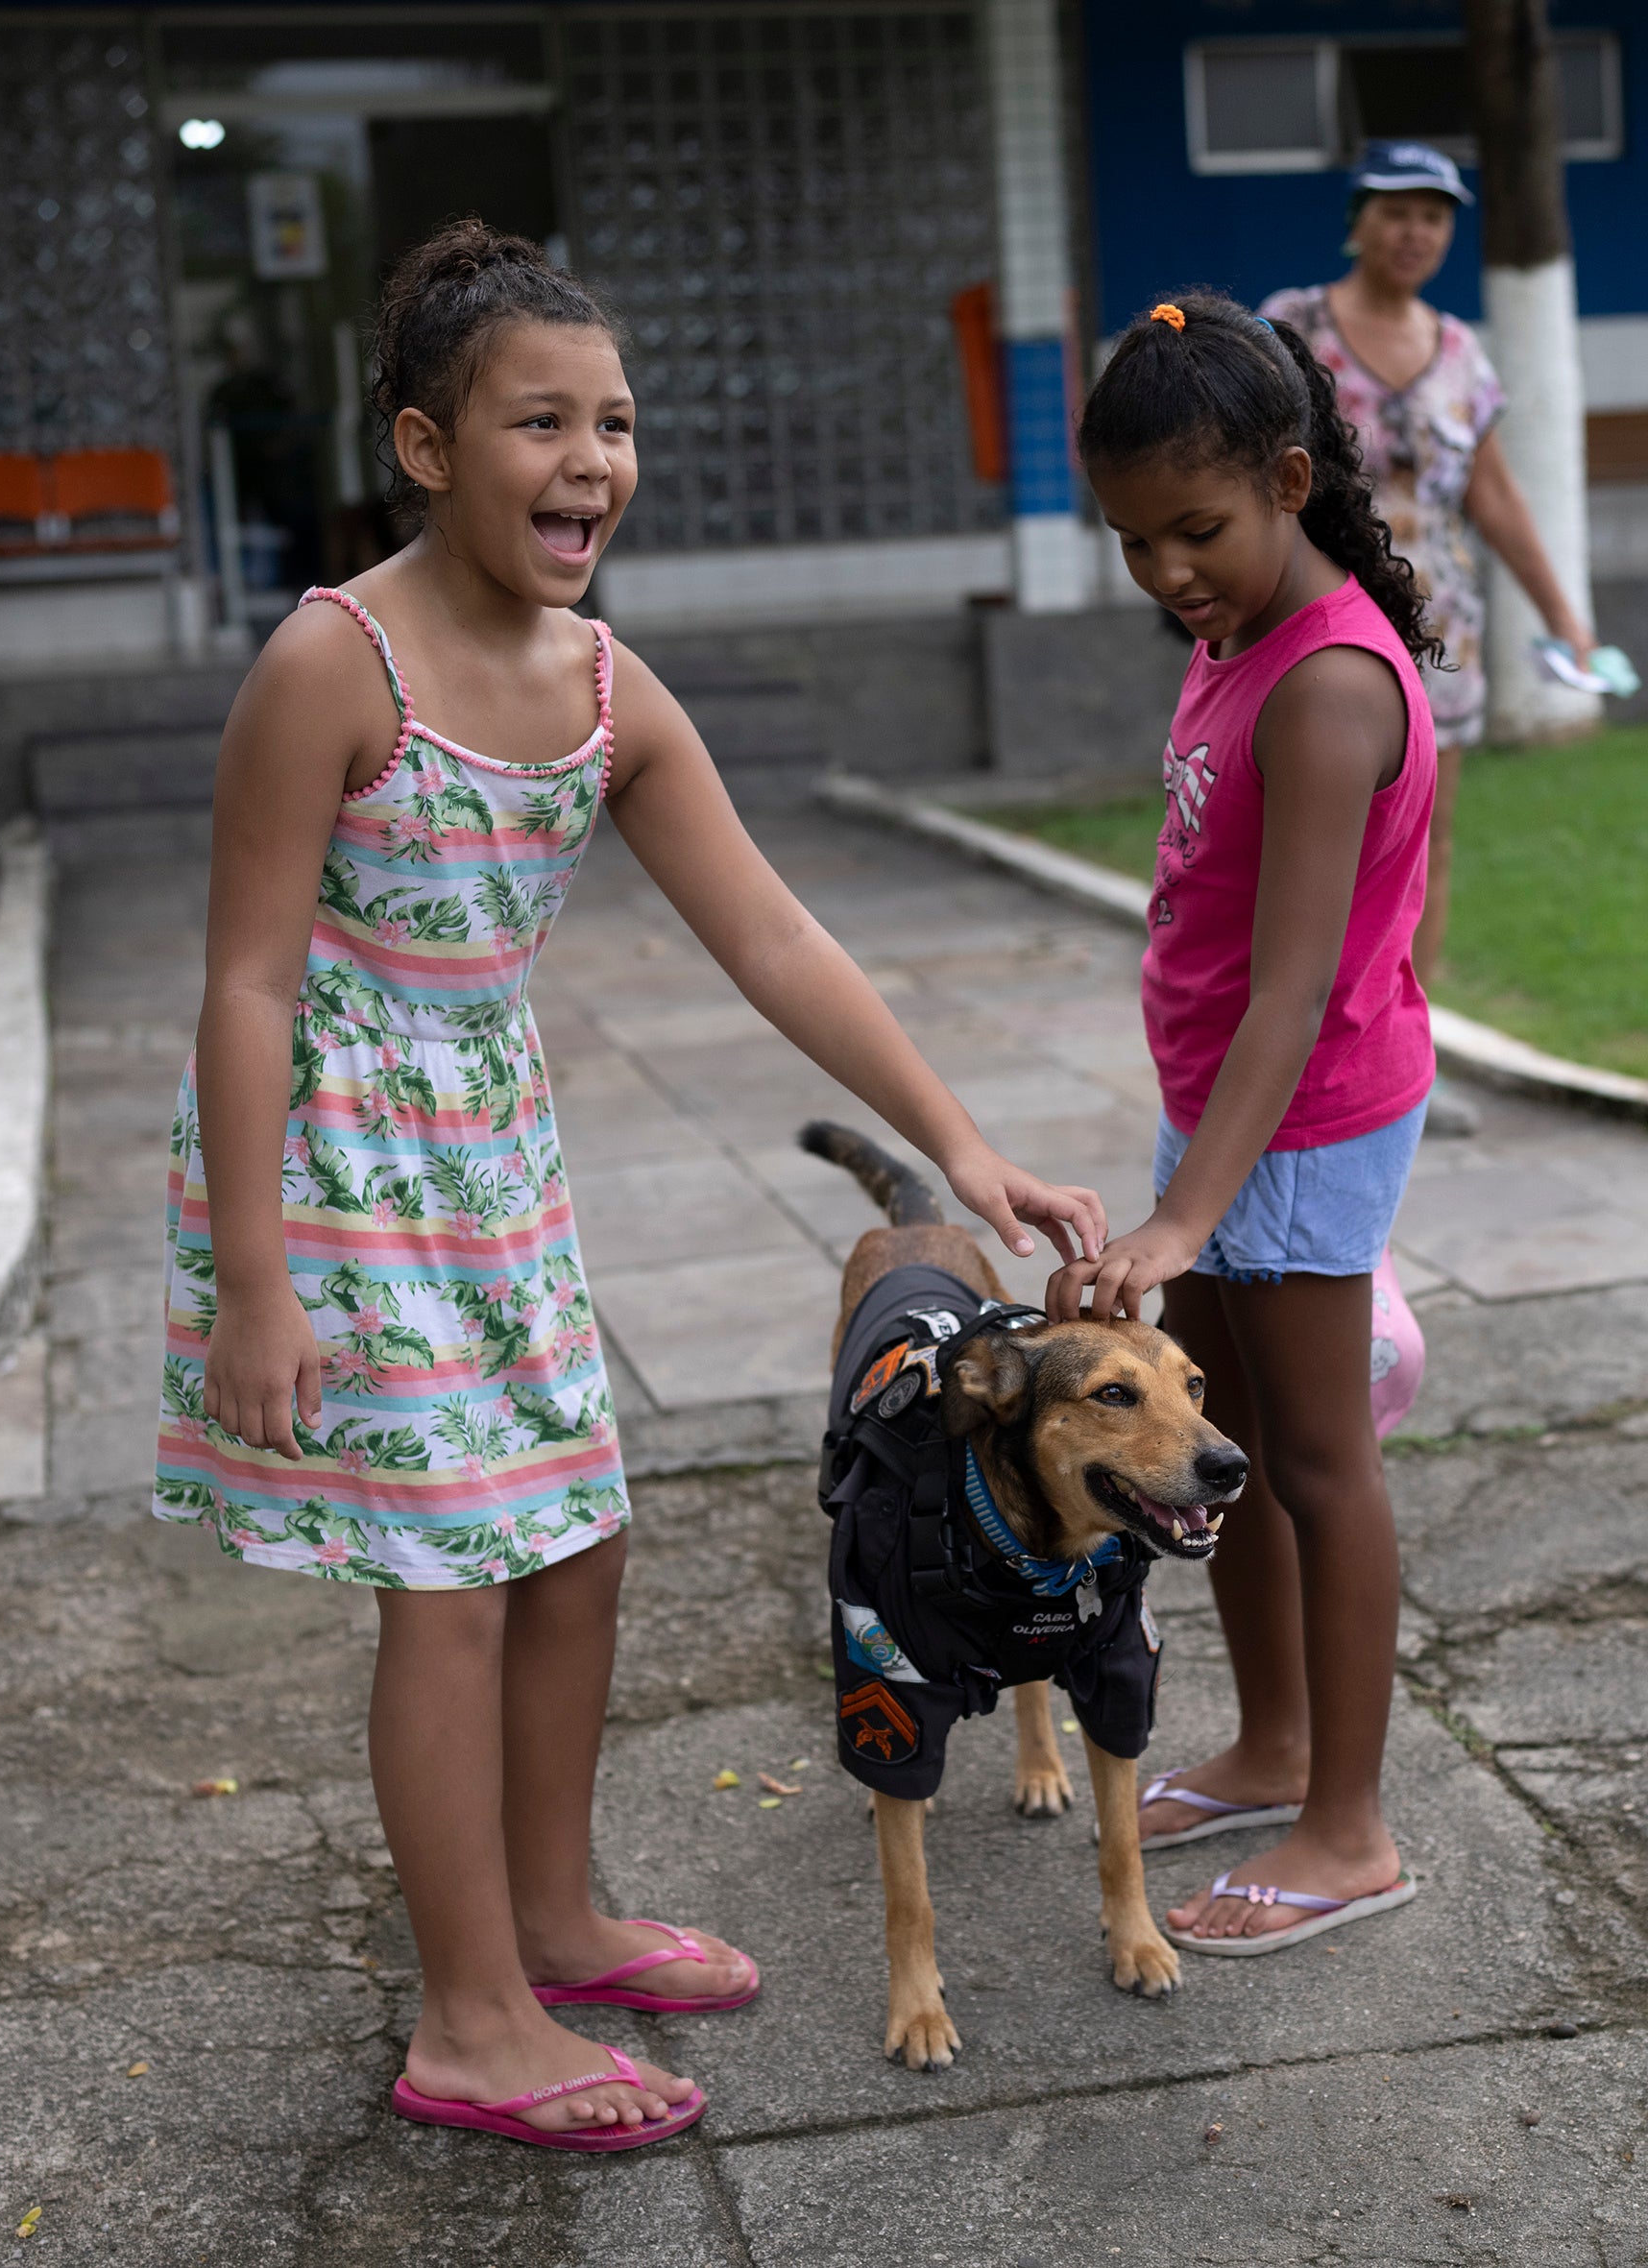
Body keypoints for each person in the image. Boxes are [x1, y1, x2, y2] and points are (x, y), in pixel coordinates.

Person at [154, 223, 1106, 2146]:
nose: (589, 459)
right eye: (537, 421)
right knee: (448, 1583)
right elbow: (246, 978)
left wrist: (964, 1132)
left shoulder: (603, 684)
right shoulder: (327, 660)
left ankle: (553, 1905)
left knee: (576, 1540)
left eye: (612, 420)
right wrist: (254, 1277)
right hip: (340, 1184)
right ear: (425, 445)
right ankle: (468, 2014)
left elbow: (769, 934)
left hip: (492, 1174)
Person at [1049, 293, 1435, 1953]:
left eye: (1196, 531)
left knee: (1321, 1466)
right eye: (1134, 542)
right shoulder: (1236, 642)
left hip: (1288, 1126)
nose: (1167, 572)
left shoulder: (1323, 687)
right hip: (1229, 1119)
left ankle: (1351, 1828)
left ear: (1289, 478)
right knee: (1233, 1460)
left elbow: (1296, 991)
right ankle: (1277, 1742)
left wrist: (1184, 1217)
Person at [1261, 138, 1596, 981]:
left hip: (1436, 635)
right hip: (1309, 628)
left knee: (1422, 839)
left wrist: (1563, 617)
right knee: (1290, 835)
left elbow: (1495, 498)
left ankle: (1403, 1045)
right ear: (1357, 222)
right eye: (1396, 212)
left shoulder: (1461, 355)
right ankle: (1286, 1037)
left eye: (1434, 217)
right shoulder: (1293, 329)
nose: (1415, 232)